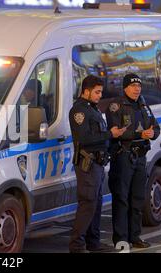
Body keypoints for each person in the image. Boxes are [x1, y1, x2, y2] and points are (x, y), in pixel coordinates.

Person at [68, 75, 126, 253]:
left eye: (101, 92)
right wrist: (110, 134)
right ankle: (76, 246)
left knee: (96, 204)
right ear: (86, 91)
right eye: (97, 92)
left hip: (98, 164)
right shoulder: (79, 111)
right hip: (88, 163)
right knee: (88, 203)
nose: (100, 95)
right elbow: (84, 138)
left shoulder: (92, 109)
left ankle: (93, 243)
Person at [105, 73, 160, 249]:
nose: (137, 89)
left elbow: (155, 127)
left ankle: (135, 237)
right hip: (123, 157)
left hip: (140, 157)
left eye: (139, 86)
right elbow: (115, 132)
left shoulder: (143, 105)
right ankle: (121, 239)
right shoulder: (116, 106)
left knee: (137, 199)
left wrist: (153, 134)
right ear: (125, 88)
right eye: (133, 86)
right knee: (121, 199)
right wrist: (139, 134)